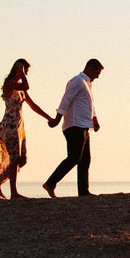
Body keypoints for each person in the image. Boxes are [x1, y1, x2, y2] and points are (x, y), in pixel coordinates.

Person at [0, 59, 60, 199]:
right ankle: (14, 192)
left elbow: (32, 105)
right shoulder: (9, 83)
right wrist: (22, 73)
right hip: (10, 123)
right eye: (25, 71)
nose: (26, 75)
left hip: (19, 124)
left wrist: (49, 118)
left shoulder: (19, 87)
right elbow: (26, 86)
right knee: (14, 158)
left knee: (22, 159)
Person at [43, 59, 103, 197]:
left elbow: (90, 105)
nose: (98, 76)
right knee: (74, 157)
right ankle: (50, 183)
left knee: (85, 159)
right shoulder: (77, 81)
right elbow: (66, 99)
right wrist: (57, 119)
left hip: (84, 126)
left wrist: (95, 119)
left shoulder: (88, 84)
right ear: (90, 68)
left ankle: (83, 191)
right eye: (97, 72)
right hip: (74, 125)